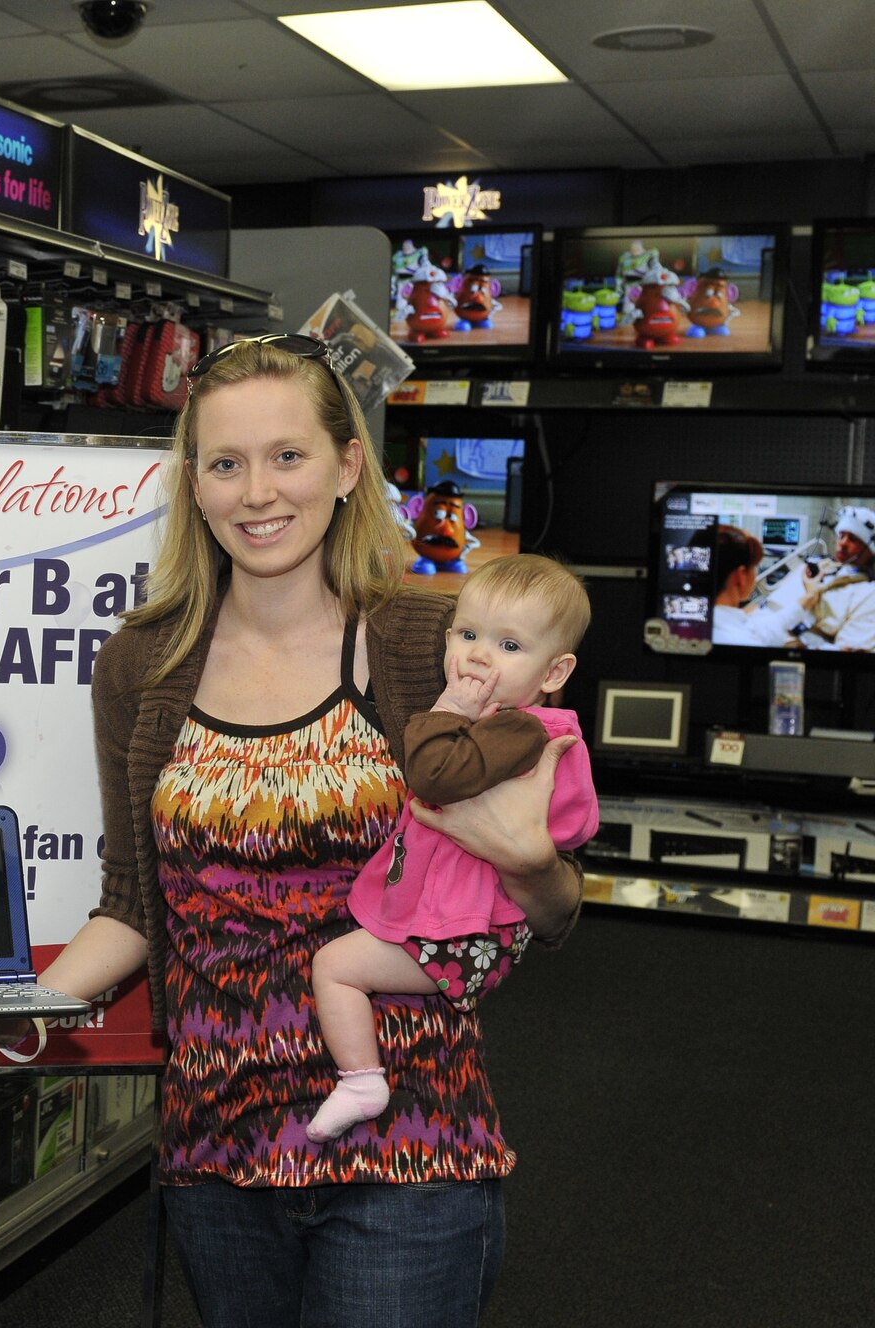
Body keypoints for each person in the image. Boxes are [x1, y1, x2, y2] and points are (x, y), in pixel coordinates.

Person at [35, 334, 583, 1328]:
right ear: (192, 485)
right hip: (215, 1140)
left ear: (345, 465)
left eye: (287, 455)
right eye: (225, 462)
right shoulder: (141, 661)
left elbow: (550, 908)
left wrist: (530, 859)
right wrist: (19, 1004)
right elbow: (131, 901)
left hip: (408, 1139)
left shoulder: (427, 640)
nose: (257, 491)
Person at [307, 555, 599, 1142]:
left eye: (509, 646)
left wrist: (448, 710)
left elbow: (435, 777)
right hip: (472, 925)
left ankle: (362, 1081)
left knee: (334, 968)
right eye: (468, 635)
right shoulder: (519, 725)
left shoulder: (519, 730)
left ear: (554, 670)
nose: (479, 656)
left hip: (465, 934)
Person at [800, 505, 875, 650]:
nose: (843, 543)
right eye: (841, 536)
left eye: (853, 539)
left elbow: (847, 649)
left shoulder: (869, 593)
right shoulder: (827, 567)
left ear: (870, 550)